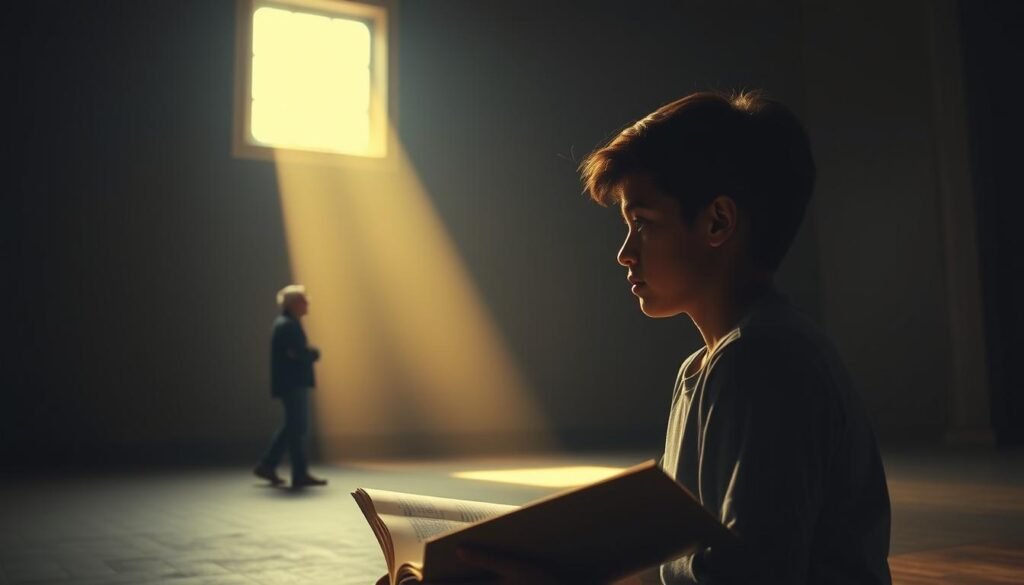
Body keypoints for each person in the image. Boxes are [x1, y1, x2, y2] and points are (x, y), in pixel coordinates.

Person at [442, 91, 892, 584]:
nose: (625, 253)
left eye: (643, 223)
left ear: (717, 221)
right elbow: (674, 560)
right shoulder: (708, 365)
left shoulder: (760, 360)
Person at [254, 284, 328, 489]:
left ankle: (268, 465)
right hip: (293, 383)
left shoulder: (285, 323)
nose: (308, 304)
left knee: (292, 426)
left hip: (291, 383)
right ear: (294, 303)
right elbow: (296, 353)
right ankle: (298, 472)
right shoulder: (288, 325)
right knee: (298, 427)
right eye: (304, 300)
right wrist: (313, 354)